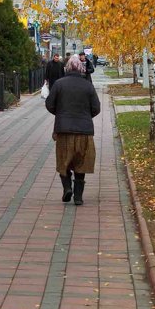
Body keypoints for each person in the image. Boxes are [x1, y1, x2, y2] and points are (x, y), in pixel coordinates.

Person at [45, 54, 100, 205]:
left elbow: (49, 104)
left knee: (64, 161)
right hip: (84, 131)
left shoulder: (59, 84)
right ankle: (78, 197)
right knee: (81, 162)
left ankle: (67, 188)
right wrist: (86, 117)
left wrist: (61, 114)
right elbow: (96, 108)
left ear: (67, 68)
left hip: (63, 131)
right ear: (81, 68)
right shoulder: (88, 85)